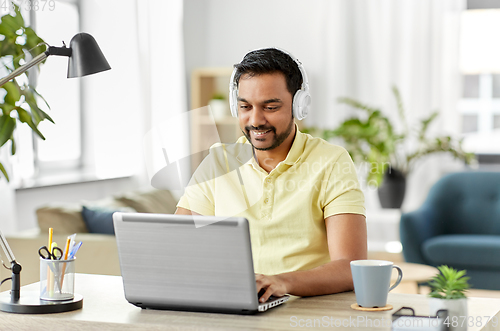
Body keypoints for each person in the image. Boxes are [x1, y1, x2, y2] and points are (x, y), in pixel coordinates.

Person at [176, 48, 366, 303]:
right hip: (233, 305)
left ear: (299, 105)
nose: (256, 120)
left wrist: (281, 282)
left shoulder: (331, 161)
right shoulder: (219, 161)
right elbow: (178, 245)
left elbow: (350, 267)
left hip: (305, 308)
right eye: (245, 106)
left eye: (270, 107)